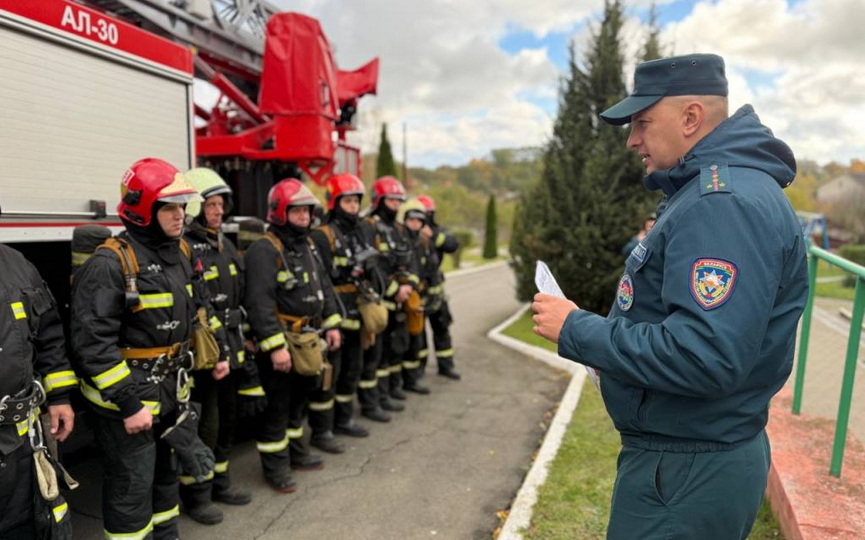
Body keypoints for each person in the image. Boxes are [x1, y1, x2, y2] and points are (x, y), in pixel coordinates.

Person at [531, 53, 808, 539]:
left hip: (686, 472)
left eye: (642, 122)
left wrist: (577, 329)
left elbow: (705, 356)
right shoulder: (716, 192)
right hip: (690, 460)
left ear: (690, 117)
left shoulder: (723, 205)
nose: (632, 139)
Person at [71, 158, 214, 539]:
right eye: (169, 207)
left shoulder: (181, 252)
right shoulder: (110, 262)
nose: (179, 215)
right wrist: (129, 404)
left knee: (165, 479)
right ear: (141, 209)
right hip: (126, 407)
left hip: (169, 395)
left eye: (182, 206)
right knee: (130, 490)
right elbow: (92, 345)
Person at [243, 178, 342, 493]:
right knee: (277, 409)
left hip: (309, 340)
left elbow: (323, 285)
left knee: (299, 403)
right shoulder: (264, 249)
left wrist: (333, 323)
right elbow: (258, 303)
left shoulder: (308, 243)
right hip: (284, 344)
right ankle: (276, 469)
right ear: (280, 212)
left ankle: (297, 454)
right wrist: (275, 348)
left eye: (307, 210)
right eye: (297, 210)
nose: (304, 216)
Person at [180, 168, 254, 523]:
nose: (218, 210)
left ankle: (220, 482)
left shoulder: (224, 245)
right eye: (211, 204)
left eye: (221, 203)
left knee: (227, 420)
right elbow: (198, 307)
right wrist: (218, 353)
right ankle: (197, 494)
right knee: (204, 424)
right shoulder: (186, 248)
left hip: (232, 347)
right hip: (207, 355)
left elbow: (237, 300)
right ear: (194, 206)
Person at [0, 243, 77, 537]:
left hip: (20, 443)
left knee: (25, 527)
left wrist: (58, 397)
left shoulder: (16, 263)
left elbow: (49, 332)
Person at [307, 174, 379, 452]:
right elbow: (322, 277)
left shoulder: (361, 229)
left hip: (357, 312)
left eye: (355, 201)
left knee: (353, 369)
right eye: (347, 201)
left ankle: (344, 419)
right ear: (334, 203)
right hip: (334, 314)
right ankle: (321, 431)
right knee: (330, 376)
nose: (352, 207)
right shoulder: (322, 235)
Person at [359, 176, 421, 408]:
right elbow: (372, 266)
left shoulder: (398, 229)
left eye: (398, 202)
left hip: (399, 304)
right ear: (379, 200)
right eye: (391, 201)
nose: (395, 206)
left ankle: (386, 394)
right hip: (377, 304)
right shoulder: (368, 227)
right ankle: (371, 402)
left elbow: (411, 260)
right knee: (374, 355)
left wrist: (409, 287)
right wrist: (395, 289)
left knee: (391, 351)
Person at [415, 195, 461, 380]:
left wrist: (432, 236)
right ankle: (418, 369)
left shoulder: (438, 232)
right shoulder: (410, 233)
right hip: (418, 293)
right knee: (418, 334)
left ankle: (446, 366)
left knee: (442, 329)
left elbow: (452, 244)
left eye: (428, 214)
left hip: (437, 293)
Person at [398, 200, 441, 392]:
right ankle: (403, 381)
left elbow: (432, 270)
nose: (415, 224)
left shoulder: (424, 242)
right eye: (411, 220)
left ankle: (412, 380)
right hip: (402, 299)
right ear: (405, 221)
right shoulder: (400, 240)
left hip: (418, 299)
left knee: (417, 340)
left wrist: (433, 296)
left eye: (419, 221)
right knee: (402, 341)